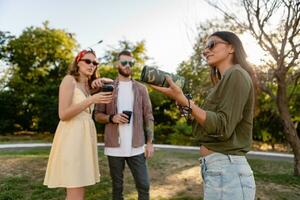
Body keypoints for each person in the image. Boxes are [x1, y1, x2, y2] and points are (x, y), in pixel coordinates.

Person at [151, 31, 256, 200]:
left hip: (228, 171)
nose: (205, 51)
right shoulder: (223, 82)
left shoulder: (236, 74)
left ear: (231, 48)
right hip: (219, 169)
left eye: (211, 45)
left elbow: (223, 127)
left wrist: (187, 103)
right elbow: (206, 127)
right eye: (205, 48)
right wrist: (184, 104)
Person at [43, 49, 113, 200]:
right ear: (77, 62)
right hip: (71, 137)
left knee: (79, 188)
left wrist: (103, 81)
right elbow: (63, 114)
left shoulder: (88, 86)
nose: (92, 65)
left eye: (95, 63)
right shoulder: (69, 80)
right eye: (87, 61)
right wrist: (91, 100)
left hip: (85, 138)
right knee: (75, 189)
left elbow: (115, 86)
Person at [94, 50, 154, 200]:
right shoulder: (108, 87)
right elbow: (97, 115)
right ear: (117, 64)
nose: (128, 66)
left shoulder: (141, 89)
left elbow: (149, 116)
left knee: (144, 185)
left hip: (137, 147)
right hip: (114, 147)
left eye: (131, 63)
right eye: (124, 62)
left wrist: (150, 143)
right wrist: (112, 118)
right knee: (117, 187)